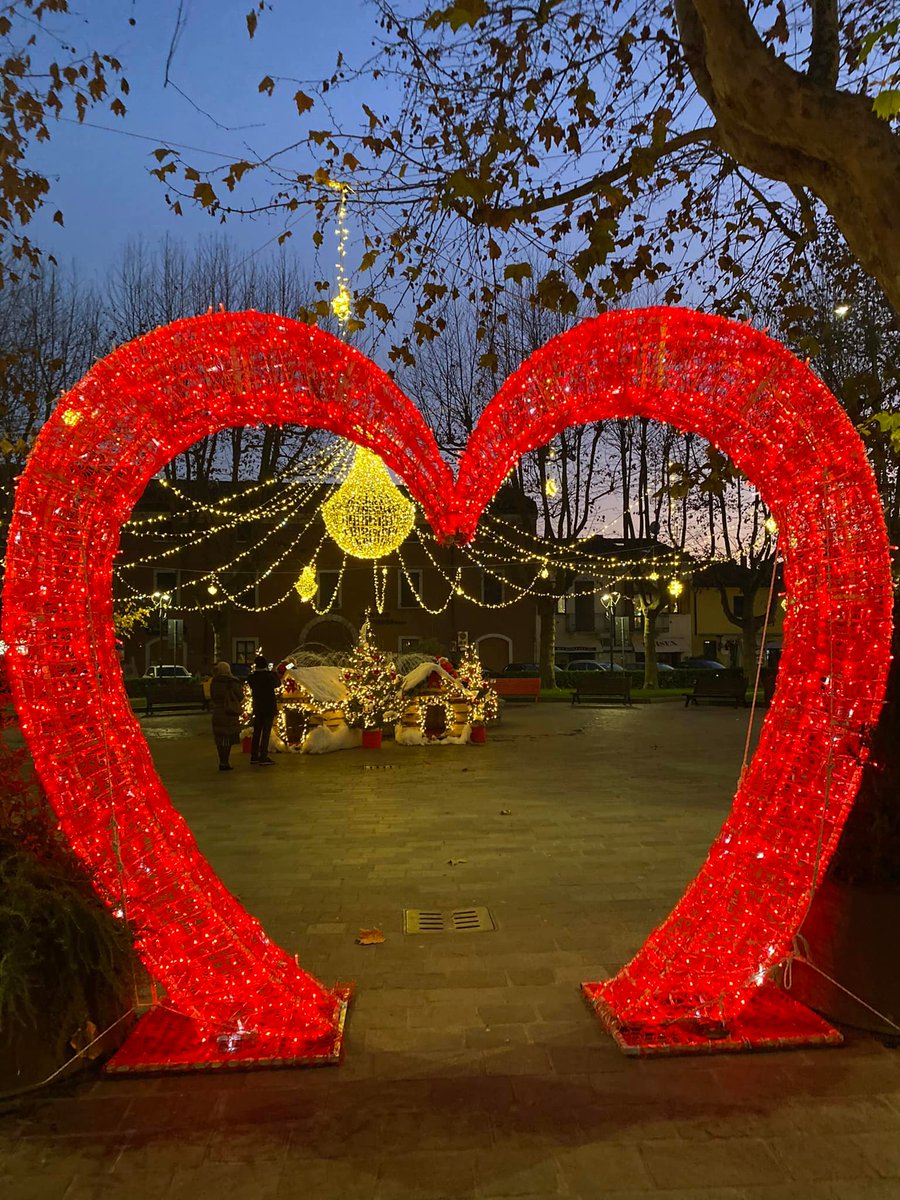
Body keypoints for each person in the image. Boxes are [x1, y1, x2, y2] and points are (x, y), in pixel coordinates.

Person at [209, 661, 243, 772]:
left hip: (217, 712)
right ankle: (225, 762)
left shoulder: (214, 682)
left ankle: (222, 760)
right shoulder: (232, 682)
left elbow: (212, 696)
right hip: (229, 712)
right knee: (227, 738)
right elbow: (240, 696)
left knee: (219, 738)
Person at [248, 654, 279, 765]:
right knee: (266, 733)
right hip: (269, 707)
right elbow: (277, 684)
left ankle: (254, 755)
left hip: (257, 707)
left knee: (257, 732)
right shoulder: (269, 676)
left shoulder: (252, 677)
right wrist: (274, 672)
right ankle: (263, 756)